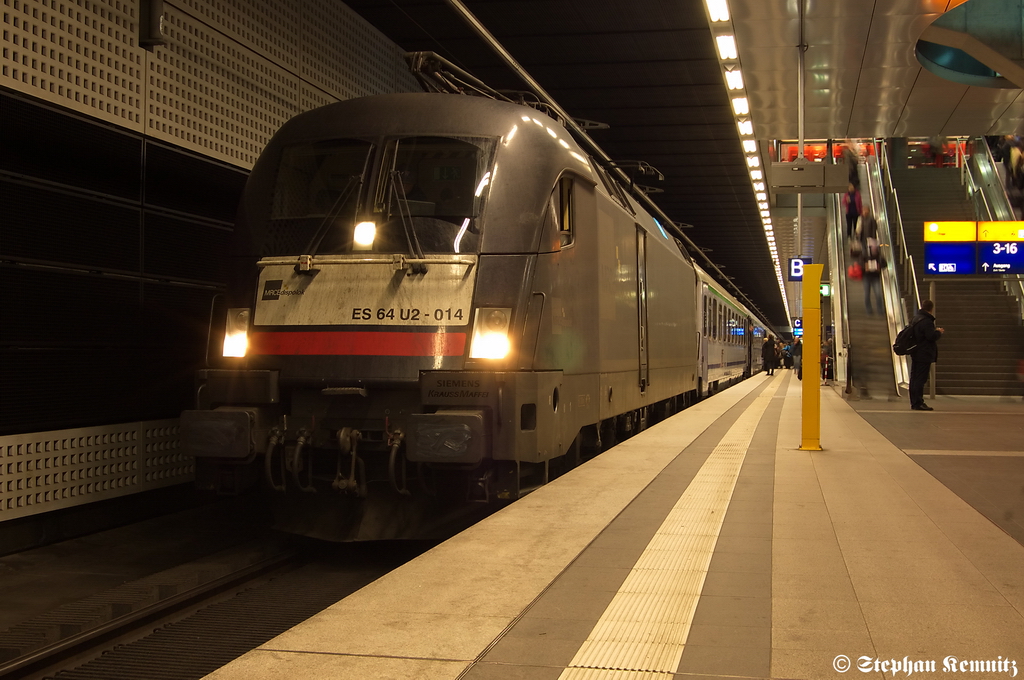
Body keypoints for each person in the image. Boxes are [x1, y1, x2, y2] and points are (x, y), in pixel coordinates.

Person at [907, 299, 944, 411]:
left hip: (916, 352)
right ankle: (918, 402)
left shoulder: (915, 318)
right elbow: (930, 336)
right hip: (924, 353)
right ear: (931, 309)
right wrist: (938, 332)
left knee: (914, 377)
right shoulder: (926, 321)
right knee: (920, 378)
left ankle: (914, 401)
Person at [860, 235, 885, 315]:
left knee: (878, 294)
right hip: (866, 277)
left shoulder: (879, 257)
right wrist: (865, 267)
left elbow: (885, 264)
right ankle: (869, 310)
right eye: (873, 248)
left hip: (875, 277)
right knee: (866, 294)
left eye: (875, 248)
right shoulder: (865, 256)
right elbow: (860, 265)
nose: (874, 250)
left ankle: (880, 310)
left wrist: (879, 266)